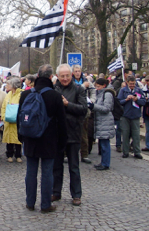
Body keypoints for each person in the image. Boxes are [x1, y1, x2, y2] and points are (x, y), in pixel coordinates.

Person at [20, 64, 67, 213]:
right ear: (51, 77)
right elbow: (62, 121)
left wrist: (22, 138)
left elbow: (19, 118)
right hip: (49, 139)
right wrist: (62, 143)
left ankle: (30, 202)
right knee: (47, 173)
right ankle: (46, 204)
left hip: (30, 138)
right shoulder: (55, 96)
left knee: (31, 172)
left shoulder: (25, 94)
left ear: (37, 76)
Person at [53, 64, 87, 206]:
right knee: (56, 166)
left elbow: (83, 109)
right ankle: (55, 192)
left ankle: (76, 194)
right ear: (58, 77)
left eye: (67, 75)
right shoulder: (54, 89)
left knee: (74, 166)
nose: (65, 78)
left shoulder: (79, 89)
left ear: (71, 75)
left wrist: (67, 105)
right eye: (62, 76)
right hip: (58, 133)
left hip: (73, 131)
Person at [88, 78, 115, 170]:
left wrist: (93, 106)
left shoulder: (107, 94)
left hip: (105, 122)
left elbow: (106, 108)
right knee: (102, 143)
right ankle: (103, 162)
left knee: (105, 144)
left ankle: (105, 163)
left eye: (98, 86)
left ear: (104, 85)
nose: (96, 88)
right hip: (101, 122)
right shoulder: (100, 94)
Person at [117, 75, 146, 159]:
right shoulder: (123, 90)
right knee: (125, 134)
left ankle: (137, 152)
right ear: (127, 83)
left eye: (133, 84)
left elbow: (143, 102)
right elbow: (119, 102)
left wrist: (137, 100)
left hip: (135, 115)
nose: (132, 85)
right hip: (125, 115)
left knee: (136, 135)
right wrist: (126, 99)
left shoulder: (139, 90)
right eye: (131, 84)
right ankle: (125, 152)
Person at [73, 65, 96, 163]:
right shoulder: (70, 81)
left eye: (79, 71)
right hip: (73, 108)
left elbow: (93, 92)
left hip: (84, 109)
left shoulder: (87, 81)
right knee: (71, 133)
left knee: (84, 134)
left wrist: (92, 101)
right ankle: (68, 154)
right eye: (76, 71)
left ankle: (84, 154)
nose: (77, 73)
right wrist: (83, 86)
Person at [1, 77, 23, 163]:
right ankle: (9, 154)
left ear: (13, 85)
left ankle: (18, 155)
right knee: (9, 139)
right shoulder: (8, 94)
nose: (6, 86)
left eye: (8, 84)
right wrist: (3, 116)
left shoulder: (21, 94)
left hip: (17, 121)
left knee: (18, 139)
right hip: (8, 120)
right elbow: (3, 106)